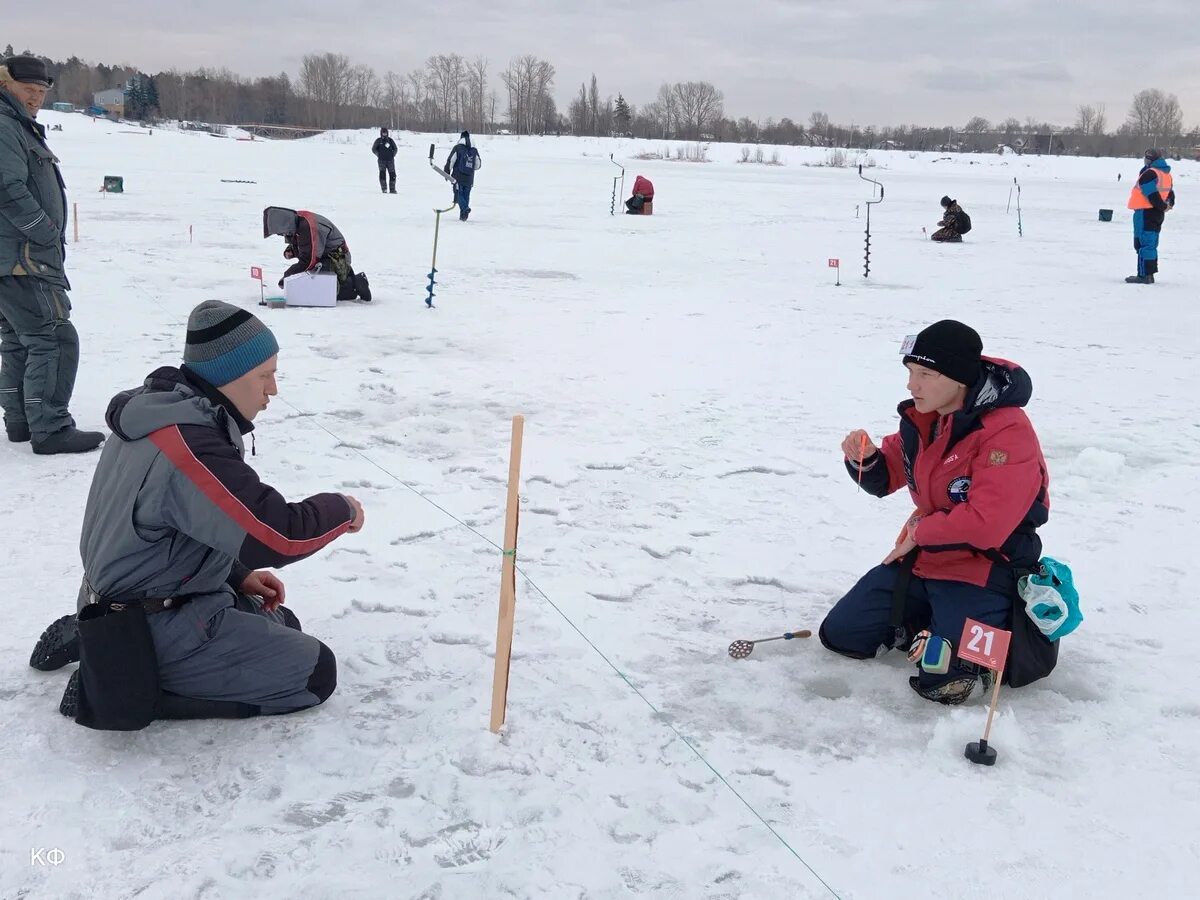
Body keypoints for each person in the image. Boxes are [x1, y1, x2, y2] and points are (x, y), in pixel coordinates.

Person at [30, 300, 366, 724]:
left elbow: (171, 524)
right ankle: (128, 681)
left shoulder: (158, 413)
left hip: (130, 593)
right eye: (265, 375)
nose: (273, 390)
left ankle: (96, 638)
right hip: (151, 619)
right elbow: (277, 534)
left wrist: (236, 574)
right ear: (228, 377)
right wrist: (343, 509)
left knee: (285, 622)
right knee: (314, 673)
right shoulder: (187, 445)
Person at [820, 320, 1051, 705]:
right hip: (926, 560)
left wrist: (919, 532)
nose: (913, 385)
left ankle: (982, 630)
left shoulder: (1008, 432)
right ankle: (928, 620)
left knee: (944, 682)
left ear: (959, 378)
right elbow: (888, 474)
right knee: (843, 635)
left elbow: (986, 525)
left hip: (985, 566)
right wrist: (866, 458)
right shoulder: (926, 418)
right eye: (911, 373)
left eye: (925, 374)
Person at [0, 55, 103, 454]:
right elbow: (7, 188)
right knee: (54, 337)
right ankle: (50, 426)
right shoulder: (6, 126)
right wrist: (42, 231)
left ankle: (21, 422)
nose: (35, 98)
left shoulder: (16, 125)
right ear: (6, 84)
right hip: (23, 257)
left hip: (15, 256)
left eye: (41, 91)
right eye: (28, 90)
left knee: (21, 338)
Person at [262, 206, 371, 302]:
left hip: (337, 258)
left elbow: (309, 261)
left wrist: (288, 276)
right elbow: (304, 242)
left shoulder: (308, 226)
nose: (283, 235)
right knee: (308, 284)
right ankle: (343, 277)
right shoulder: (297, 219)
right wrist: (292, 251)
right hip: (324, 256)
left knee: (320, 292)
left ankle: (355, 283)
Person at [1126, 148, 1175, 284]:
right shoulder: (1165, 174)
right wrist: (1167, 206)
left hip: (1145, 213)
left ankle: (1144, 275)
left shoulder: (1150, 173)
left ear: (1150, 160)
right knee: (1151, 244)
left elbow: (1152, 195)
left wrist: (1162, 206)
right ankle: (1149, 274)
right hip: (1157, 214)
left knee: (1143, 244)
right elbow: (1171, 194)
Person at [444, 131, 481, 221]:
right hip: (469, 178)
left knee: (458, 194)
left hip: (458, 177)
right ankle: (463, 216)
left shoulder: (457, 148)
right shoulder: (474, 150)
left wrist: (446, 172)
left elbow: (451, 161)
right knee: (466, 195)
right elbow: (478, 165)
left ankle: (465, 209)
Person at [372, 127, 397, 194]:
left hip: (390, 161)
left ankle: (392, 189)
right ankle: (384, 189)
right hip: (381, 161)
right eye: (383, 132)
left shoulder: (390, 141)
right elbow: (373, 149)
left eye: (385, 132)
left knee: (392, 175)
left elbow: (395, 149)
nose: (384, 134)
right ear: (381, 133)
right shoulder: (378, 141)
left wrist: (392, 155)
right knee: (382, 174)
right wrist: (378, 154)